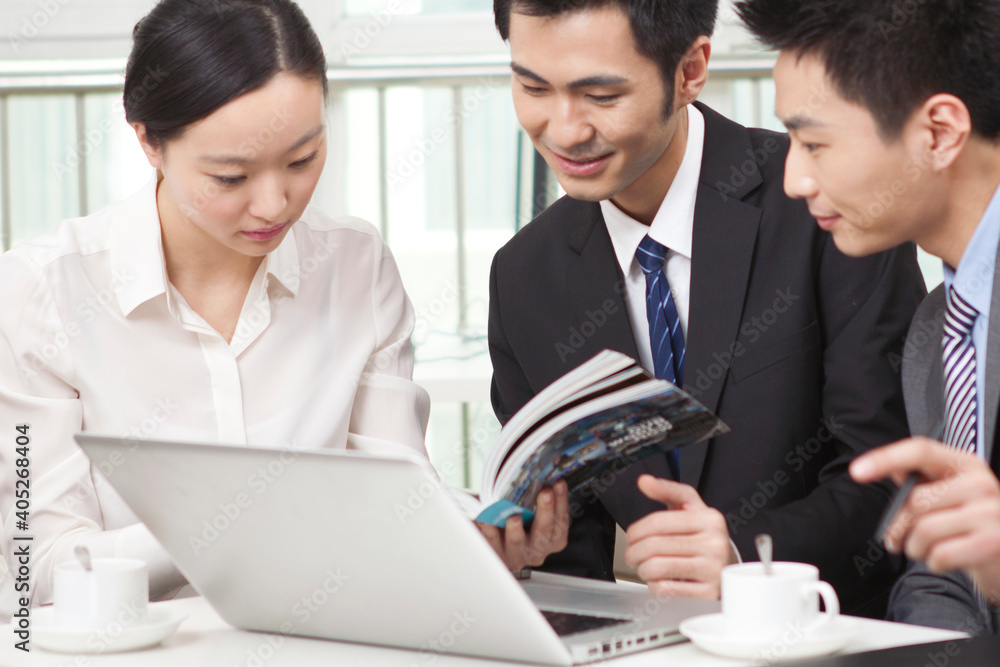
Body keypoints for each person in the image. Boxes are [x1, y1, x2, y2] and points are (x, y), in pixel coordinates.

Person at [487, 0, 927, 616]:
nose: (563, 130)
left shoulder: (824, 205)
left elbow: (896, 478)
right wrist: (527, 548)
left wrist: (746, 560)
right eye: (532, 86)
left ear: (690, 70)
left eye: (602, 96)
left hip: (834, 637)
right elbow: (572, 561)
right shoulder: (523, 278)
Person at [0, 0, 434, 612]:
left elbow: (403, 510)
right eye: (231, 177)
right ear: (148, 141)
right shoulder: (42, 294)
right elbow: (37, 571)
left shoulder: (355, 268)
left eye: (303, 159)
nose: (275, 204)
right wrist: (231, 523)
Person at [736, 0, 1000, 634]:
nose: (794, 179)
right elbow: (945, 578)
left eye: (814, 143)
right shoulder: (938, 328)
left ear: (939, 133)